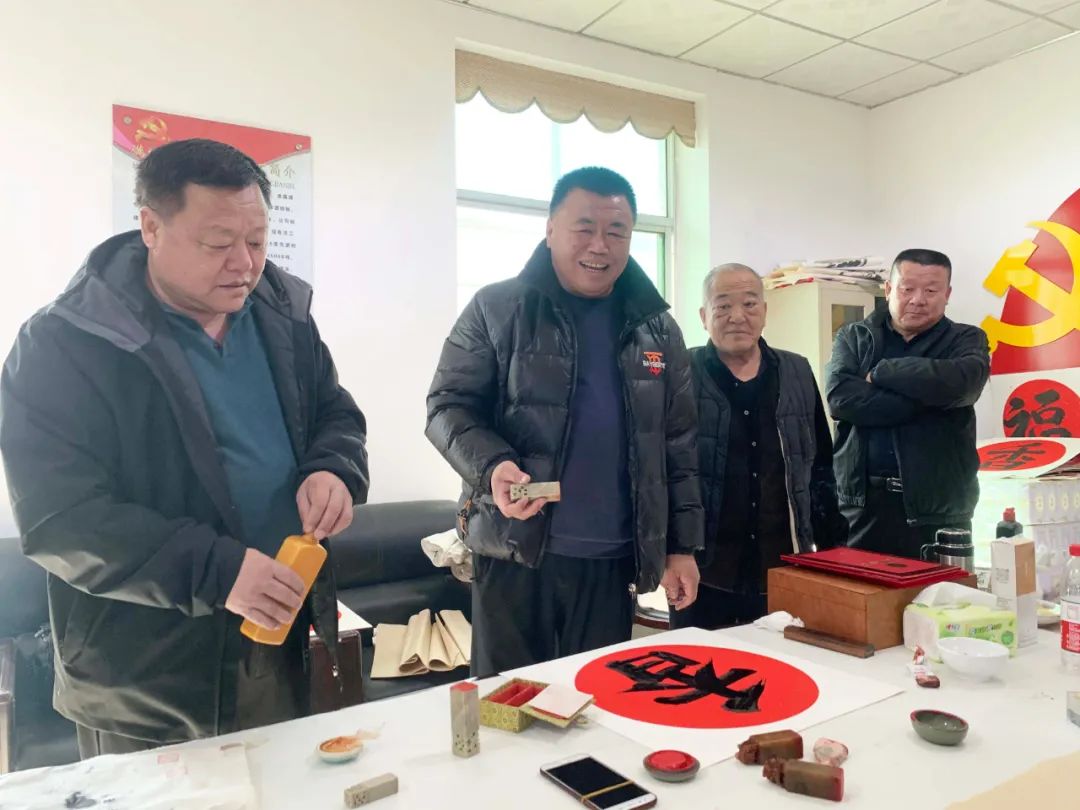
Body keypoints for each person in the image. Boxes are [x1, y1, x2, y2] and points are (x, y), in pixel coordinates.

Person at [0, 139, 368, 757]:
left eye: (257, 241)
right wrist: (218, 572)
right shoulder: (64, 344)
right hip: (142, 673)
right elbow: (60, 521)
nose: (244, 264)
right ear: (151, 226)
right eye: (218, 244)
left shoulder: (282, 315)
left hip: (272, 641)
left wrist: (334, 468)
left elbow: (335, 413)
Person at [426, 166, 703, 678]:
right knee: (508, 703)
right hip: (515, 552)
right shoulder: (497, 308)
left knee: (595, 701)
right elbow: (447, 406)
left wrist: (680, 548)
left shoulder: (658, 330)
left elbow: (679, 445)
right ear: (551, 228)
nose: (600, 245)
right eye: (584, 227)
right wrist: (493, 466)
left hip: (612, 562)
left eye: (616, 231)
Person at [672, 264, 846, 630]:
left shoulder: (796, 371)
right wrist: (670, 552)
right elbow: (661, 471)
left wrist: (833, 554)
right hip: (703, 572)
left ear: (765, 312)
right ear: (704, 316)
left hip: (782, 568)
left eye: (750, 304)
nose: (737, 316)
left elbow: (820, 469)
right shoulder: (680, 374)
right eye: (723, 306)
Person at [826, 248, 989, 558]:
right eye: (907, 289)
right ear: (889, 289)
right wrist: (928, 400)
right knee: (861, 588)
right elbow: (841, 399)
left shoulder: (966, 339)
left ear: (947, 294)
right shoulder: (855, 337)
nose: (918, 299)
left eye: (931, 291)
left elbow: (962, 384)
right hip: (862, 505)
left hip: (940, 508)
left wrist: (883, 372)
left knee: (940, 589)